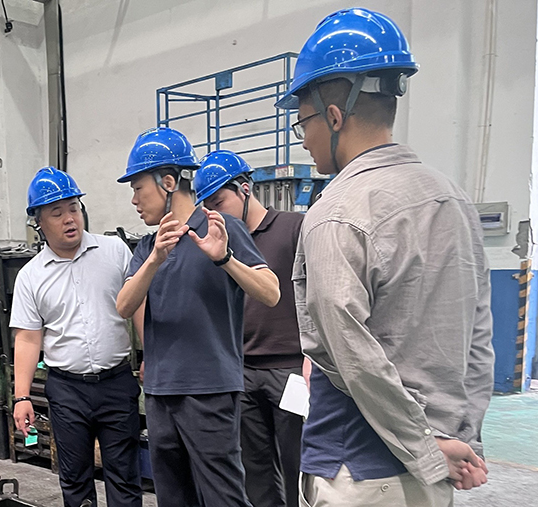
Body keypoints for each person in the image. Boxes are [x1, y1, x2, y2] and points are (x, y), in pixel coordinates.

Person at [274, 8, 495, 506]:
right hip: (437, 465)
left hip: (361, 472)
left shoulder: (337, 211)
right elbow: (478, 335)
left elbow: (351, 354)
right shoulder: (452, 199)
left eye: (303, 121)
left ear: (334, 116)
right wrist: (461, 442)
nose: (303, 138)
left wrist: (425, 449)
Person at [115, 127, 281, 507]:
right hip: (160, 393)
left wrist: (225, 259)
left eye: (138, 188)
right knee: (173, 498)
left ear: (168, 182)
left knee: (223, 497)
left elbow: (271, 292)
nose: (134, 200)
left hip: (210, 390)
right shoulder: (148, 246)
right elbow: (124, 306)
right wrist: (155, 259)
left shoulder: (223, 228)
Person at [10, 167, 142, 507]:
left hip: (116, 383)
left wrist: (151, 357)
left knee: (125, 477)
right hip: (67, 391)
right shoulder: (30, 276)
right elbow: (28, 339)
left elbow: (139, 306)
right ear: (39, 222)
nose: (69, 218)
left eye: (74, 208)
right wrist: (21, 396)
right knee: (74, 479)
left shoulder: (115, 252)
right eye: (57, 213)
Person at [193, 150, 304, 507]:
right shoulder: (217, 242)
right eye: (207, 206)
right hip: (242, 371)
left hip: (290, 368)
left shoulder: (293, 228)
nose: (214, 213)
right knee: (254, 471)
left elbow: (317, 295)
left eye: (218, 202)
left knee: (298, 465)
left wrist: (313, 360)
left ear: (244, 189)